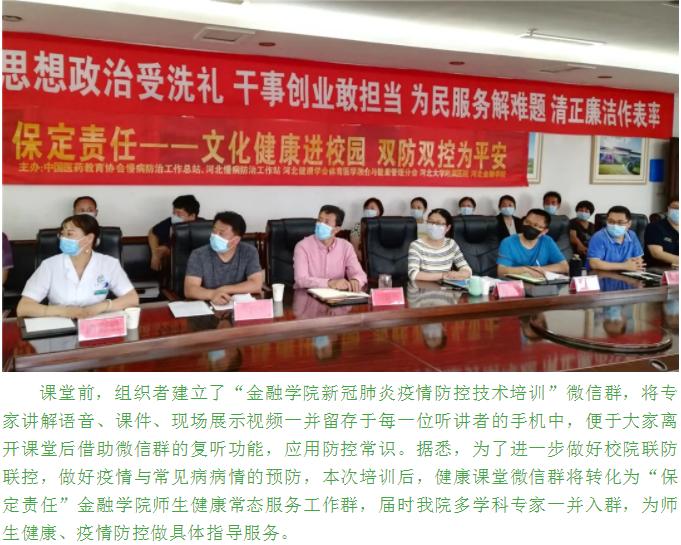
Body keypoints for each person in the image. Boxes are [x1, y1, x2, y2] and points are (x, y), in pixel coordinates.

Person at [17, 215, 138, 318]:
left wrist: (101, 307)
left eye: (69, 234)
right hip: (59, 325)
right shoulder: (49, 265)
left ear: (89, 238)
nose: (63, 238)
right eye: (62, 234)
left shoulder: (109, 264)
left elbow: (132, 298)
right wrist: (63, 311)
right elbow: (23, 307)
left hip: (96, 323)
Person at [184, 211, 263, 305]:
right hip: (207, 306)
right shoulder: (198, 255)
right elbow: (190, 289)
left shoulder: (249, 252)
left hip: (238, 306)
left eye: (221, 233)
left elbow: (256, 284)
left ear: (235, 240)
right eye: (214, 231)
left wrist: (224, 289)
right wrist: (213, 294)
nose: (215, 236)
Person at [294, 205, 367, 291]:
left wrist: (356, 280)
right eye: (319, 220)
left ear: (336, 229)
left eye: (326, 222)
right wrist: (329, 283)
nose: (320, 224)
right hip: (306, 295)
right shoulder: (302, 246)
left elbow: (360, 274)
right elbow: (301, 279)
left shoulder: (346, 247)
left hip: (336, 296)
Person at [497, 208, 569, 278]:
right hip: (515, 284)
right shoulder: (508, 242)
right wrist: (525, 270)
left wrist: (540, 269)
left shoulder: (547, 241)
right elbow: (501, 271)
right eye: (527, 222)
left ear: (544, 231)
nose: (530, 227)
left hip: (540, 283)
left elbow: (565, 267)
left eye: (536, 225)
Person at [407, 208, 472, 282]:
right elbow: (413, 274)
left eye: (438, 223)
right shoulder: (416, 245)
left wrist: (462, 273)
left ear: (448, 228)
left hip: (447, 287)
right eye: (430, 222)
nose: (433, 226)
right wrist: (444, 275)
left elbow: (466, 268)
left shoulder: (451, 244)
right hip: (423, 287)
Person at [148, 194, 201, 271]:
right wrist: (155, 255)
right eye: (174, 213)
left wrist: (168, 250)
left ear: (192, 216)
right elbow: (152, 232)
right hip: (174, 268)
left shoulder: (203, 227)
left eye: (179, 214)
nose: (175, 217)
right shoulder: (170, 222)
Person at [587, 205, 645, 272]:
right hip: (602, 274)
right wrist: (624, 266)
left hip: (627, 274)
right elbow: (594, 263)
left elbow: (638, 258)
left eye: (620, 222)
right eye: (611, 221)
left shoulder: (632, 235)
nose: (615, 225)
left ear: (629, 224)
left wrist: (637, 264)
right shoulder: (598, 237)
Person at [644, 199, 678, 267]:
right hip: (658, 268)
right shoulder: (655, 226)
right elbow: (656, 253)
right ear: (668, 208)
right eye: (676, 208)